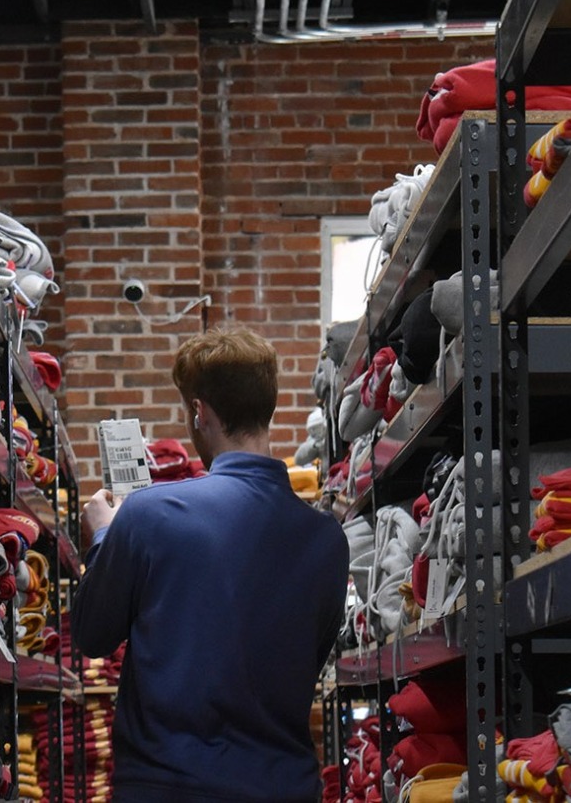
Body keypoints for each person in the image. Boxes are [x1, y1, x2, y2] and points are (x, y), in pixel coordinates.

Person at [72, 326, 350, 803]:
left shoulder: (147, 514)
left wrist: (102, 536)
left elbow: (93, 635)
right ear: (267, 407)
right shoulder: (329, 540)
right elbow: (308, 659)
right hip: (283, 787)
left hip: (167, 787)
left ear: (200, 412)